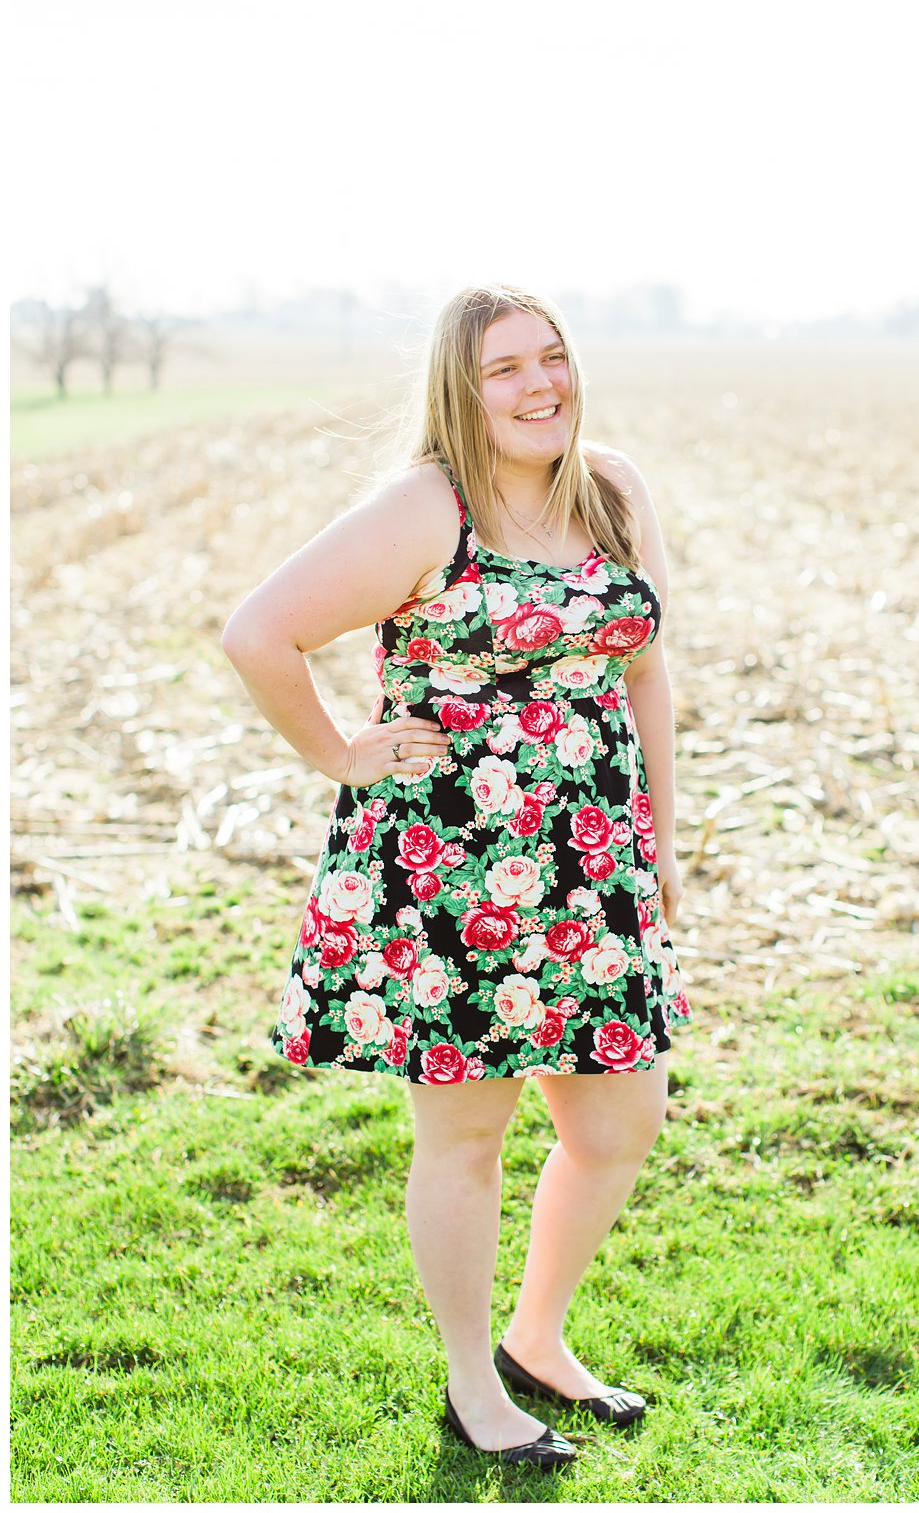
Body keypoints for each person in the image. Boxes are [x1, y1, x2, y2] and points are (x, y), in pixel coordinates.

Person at [222, 284, 688, 1467]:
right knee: (467, 1134)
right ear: (459, 390)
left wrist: (661, 838)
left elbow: (644, 674)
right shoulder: (428, 510)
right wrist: (340, 752)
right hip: (456, 871)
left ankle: (540, 1338)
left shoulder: (612, 490)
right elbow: (259, 632)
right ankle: (474, 1383)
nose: (543, 386)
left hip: (594, 866)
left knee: (621, 1118)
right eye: (507, 370)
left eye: (555, 357)